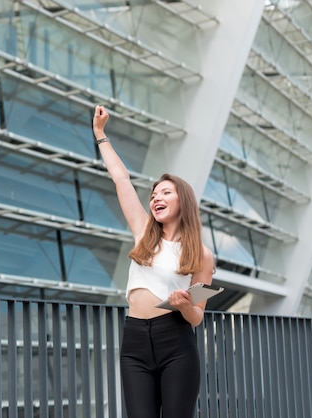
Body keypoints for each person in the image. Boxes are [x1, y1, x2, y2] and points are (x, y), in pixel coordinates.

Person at [92, 105, 215, 418]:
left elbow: (197, 316)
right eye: (154, 195)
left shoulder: (201, 253)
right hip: (134, 340)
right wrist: (101, 135)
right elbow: (121, 179)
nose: (156, 198)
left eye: (165, 193)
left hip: (175, 342)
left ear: (182, 201)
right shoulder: (144, 231)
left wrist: (185, 304)